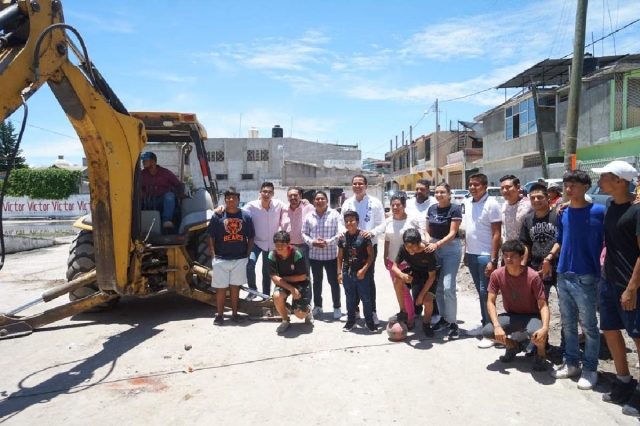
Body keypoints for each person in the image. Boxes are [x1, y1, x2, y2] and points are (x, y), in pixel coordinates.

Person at [542, 170, 605, 390]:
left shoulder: (599, 212)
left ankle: (590, 368)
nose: (569, 189)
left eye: (574, 185)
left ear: (586, 187)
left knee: (588, 326)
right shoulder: (563, 212)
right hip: (563, 273)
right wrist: (550, 257)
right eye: (566, 185)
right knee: (568, 324)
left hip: (587, 275)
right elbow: (560, 238)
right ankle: (571, 363)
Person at [590, 161, 640, 415]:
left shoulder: (638, 210)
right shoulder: (610, 205)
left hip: (630, 285)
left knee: (638, 337)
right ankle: (623, 380)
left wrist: (632, 287)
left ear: (620, 181)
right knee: (609, 330)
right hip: (609, 281)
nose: (600, 180)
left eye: (605, 177)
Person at [482, 240, 549, 371]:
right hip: (512, 315)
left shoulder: (533, 276)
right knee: (488, 332)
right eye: (505, 255)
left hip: (532, 316)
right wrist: (496, 326)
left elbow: (543, 305)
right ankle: (513, 345)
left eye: (513, 256)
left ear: (522, 257)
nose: (508, 259)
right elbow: (490, 301)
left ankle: (541, 354)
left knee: (536, 333)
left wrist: (545, 328)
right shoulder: (497, 274)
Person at [462, 173, 502, 348]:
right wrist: (465, 252)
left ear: (485, 186)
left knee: (487, 293)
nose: (472, 187)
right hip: (471, 254)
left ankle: (491, 331)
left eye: (476, 185)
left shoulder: (492, 204)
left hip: (485, 256)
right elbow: (469, 231)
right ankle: (484, 323)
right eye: (470, 184)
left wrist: (493, 259)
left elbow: (496, 234)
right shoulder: (468, 203)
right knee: (480, 292)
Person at [339, 175, 386, 324]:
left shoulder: (375, 203)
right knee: (351, 279)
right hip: (349, 247)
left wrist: (372, 232)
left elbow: (382, 224)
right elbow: (341, 223)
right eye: (355, 183)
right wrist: (341, 231)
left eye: (360, 183)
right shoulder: (347, 203)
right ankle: (354, 311)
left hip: (368, 246)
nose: (357, 186)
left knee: (367, 279)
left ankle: (372, 312)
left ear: (366, 185)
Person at [206, 189, 255, 326]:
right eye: (228, 198)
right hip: (221, 258)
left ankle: (234, 314)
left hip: (239, 258)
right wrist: (213, 255)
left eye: (233, 198)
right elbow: (210, 236)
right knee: (221, 289)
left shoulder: (246, 216)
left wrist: (247, 255)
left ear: (238, 199)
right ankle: (220, 315)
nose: (231, 200)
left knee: (235, 288)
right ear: (225, 200)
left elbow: (251, 237)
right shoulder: (218, 216)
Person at [426, 182, 463, 340]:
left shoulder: (455, 209)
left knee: (448, 287)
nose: (439, 195)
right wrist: (429, 242)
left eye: (442, 192)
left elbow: (453, 233)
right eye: (437, 192)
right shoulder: (432, 209)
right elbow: (427, 229)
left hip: (450, 250)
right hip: (434, 248)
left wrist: (437, 244)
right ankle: (443, 319)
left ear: (449, 194)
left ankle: (453, 324)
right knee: (438, 288)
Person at [384, 195, 423, 328]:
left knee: (405, 290)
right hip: (392, 262)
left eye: (398, 205)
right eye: (393, 205)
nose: (395, 208)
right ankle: (403, 311)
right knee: (397, 288)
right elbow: (387, 239)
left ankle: (411, 317)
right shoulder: (388, 221)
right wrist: (385, 256)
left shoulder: (411, 221)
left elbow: (420, 238)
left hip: (407, 262)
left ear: (404, 206)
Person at [302, 191, 343, 319]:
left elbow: (340, 233)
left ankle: (337, 307)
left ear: (327, 200)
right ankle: (318, 306)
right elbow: (304, 234)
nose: (320, 201)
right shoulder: (309, 216)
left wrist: (328, 243)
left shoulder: (335, 215)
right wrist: (312, 242)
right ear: (314, 201)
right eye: (317, 199)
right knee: (317, 282)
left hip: (331, 256)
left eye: (322, 199)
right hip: (315, 257)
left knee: (334, 282)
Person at [391, 228, 438, 337]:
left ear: (419, 243)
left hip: (429, 276)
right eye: (407, 245)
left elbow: (432, 277)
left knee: (426, 301)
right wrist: (403, 275)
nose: (410, 248)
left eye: (413, 245)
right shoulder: (403, 249)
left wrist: (421, 295)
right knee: (397, 279)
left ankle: (426, 324)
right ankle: (403, 311)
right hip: (415, 272)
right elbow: (394, 267)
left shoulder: (428, 251)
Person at [242, 182, 286, 299]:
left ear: (273, 194)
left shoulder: (279, 204)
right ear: (260, 192)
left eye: (269, 192)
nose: (267, 194)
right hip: (256, 242)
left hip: (271, 244)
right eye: (264, 191)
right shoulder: (251, 206)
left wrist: (304, 203)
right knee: (250, 264)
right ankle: (253, 290)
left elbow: (291, 208)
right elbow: (237, 212)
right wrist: (221, 208)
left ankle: (265, 296)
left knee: (267, 272)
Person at [337, 210, 376, 332]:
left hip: (362, 273)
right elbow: (339, 257)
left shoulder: (364, 237)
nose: (349, 223)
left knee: (366, 298)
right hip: (347, 272)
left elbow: (371, 255)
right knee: (349, 298)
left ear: (357, 222)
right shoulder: (342, 238)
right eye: (347, 221)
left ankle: (369, 322)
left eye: (352, 220)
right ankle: (351, 321)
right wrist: (339, 273)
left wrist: (364, 270)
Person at [269, 231, 314, 334]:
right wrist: (290, 288)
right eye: (277, 244)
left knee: (299, 314)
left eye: (282, 244)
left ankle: (307, 310)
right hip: (285, 283)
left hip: (300, 282)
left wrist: (284, 279)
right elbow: (274, 277)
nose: (279, 247)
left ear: (288, 243)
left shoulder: (297, 254)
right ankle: (285, 320)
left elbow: (303, 276)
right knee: (277, 296)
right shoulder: (272, 255)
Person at [140, 151, 186, 229]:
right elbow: (136, 187)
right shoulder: (141, 174)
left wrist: (181, 193)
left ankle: (166, 221)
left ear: (153, 162)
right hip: (146, 202)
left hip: (161, 201)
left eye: (145, 160)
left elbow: (179, 184)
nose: (143, 162)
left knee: (169, 195)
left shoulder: (165, 173)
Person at [279, 187, 314, 277]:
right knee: (288, 274)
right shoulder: (283, 210)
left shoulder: (308, 208)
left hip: (304, 247)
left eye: (295, 195)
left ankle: (306, 292)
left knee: (305, 275)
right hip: (287, 248)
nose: (293, 197)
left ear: (300, 196)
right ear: (287, 197)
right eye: (290, 195)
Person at [500, 174, 532, 243]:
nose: (504, 191)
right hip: (508, 249)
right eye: (502, 188)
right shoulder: (504, 206)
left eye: (508, 187)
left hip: (524, 248)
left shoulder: (529, 205)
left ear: (518, 187)